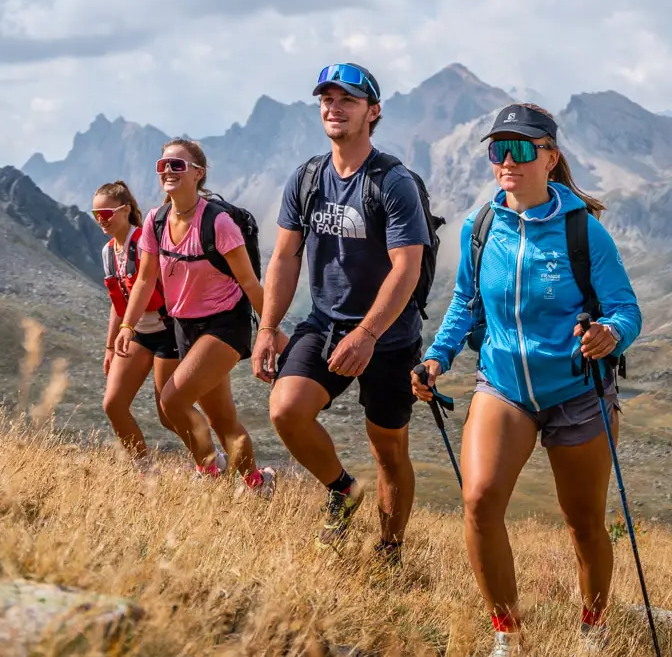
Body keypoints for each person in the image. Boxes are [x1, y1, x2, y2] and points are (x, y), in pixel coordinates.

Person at [413, 103, 642, 656]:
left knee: (584, 522)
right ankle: (507, 636)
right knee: (480, 501)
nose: (507, 160)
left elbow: (626, 309)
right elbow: (466, 302)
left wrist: (609, 333)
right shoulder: (481, 226)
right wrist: (437, 357)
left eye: (521, 148)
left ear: (551, 157)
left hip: (577, 392)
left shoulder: (583, 231)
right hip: (504, 387)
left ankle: (593, 627)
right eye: (498, 149)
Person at [255, 63, 431, 555]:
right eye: (327, 99)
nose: (334, 107)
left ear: (372, 112)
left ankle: (389, 550)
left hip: (388, 336)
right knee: (287, 410)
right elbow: (286, 256)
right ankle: (341, 490)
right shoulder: (308, 177)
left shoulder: (392, 182)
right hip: (326, 324)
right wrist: (268, 326)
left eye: (348, 100)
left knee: (389, 450)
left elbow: (406, 269)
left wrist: (369, 334)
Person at [115, 139, 274, 490]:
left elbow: (248, 281)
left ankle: (209, 475)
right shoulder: (156, 222)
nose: (168, 171)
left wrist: (270, 330)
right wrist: (126, 324)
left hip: (224, 324)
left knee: (172, 400)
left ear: (198, 173)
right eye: (163, 165)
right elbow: (144, 280)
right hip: (184, 327)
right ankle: (257, 483)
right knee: (222, 420)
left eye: (177, 165)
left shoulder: (218, 223)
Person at [94, 180, 177, 460]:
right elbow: (118, 303)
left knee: (169, 414)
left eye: (106, 214)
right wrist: (109, 348)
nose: (101, 220)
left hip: (168, 331)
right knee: (113, 405)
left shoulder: (144, 242)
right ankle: (144, 472)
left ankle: (213, 461)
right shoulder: (107, 253)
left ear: (125, 210)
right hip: (137, 334)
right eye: (96, 216)